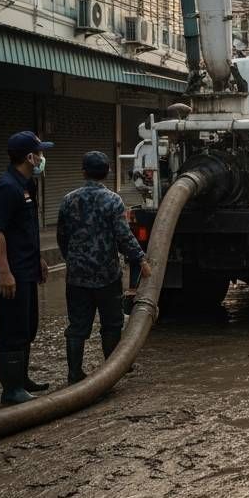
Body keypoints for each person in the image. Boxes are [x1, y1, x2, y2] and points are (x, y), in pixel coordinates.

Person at [56, 151, 152, 384]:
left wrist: (73, 259)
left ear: (83, 172)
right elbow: (124, 236)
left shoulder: (69, 199)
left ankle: (74, 373)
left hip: (77, 276)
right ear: (108, 172)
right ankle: (112, 369)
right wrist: (141, 259)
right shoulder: (113, 200)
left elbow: (62, 236)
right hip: (107, 275)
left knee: (78, 326)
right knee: (111, 324)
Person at [0, 131, 53, 404]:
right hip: (11, 272)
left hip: (26, 268)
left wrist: (37, 259)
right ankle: (11, 390)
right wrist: (4, 271)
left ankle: (22, 380)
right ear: (29, 157)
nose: (42, 158)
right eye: (39, 153)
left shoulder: (27, 185)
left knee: (28, 326)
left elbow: (25, 230)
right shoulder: (6, 187)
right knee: (13, 328)